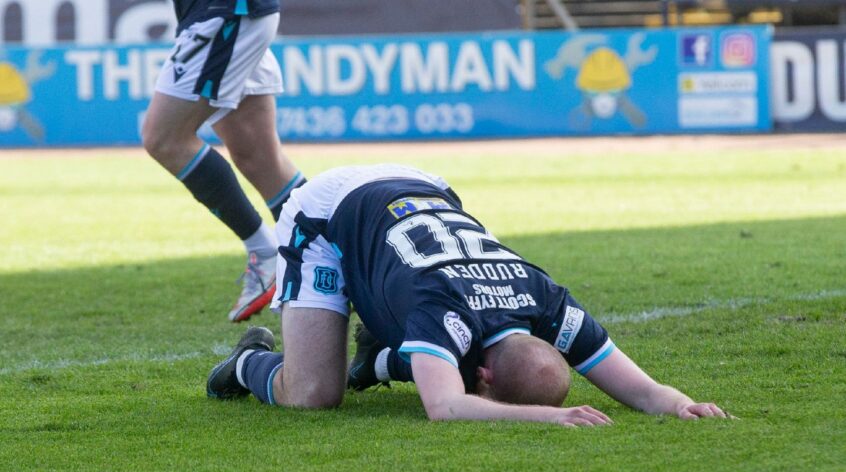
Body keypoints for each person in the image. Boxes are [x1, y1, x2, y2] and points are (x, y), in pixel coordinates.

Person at [206, 164, 730, 426]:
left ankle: (381, 358)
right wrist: (548, 417)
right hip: (326, 210)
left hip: (424, 186)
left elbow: (643, 391)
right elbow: (445, 406)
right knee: (314, 395)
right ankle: (249, 360)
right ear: (482, 376)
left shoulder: (549, 301)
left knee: (418, 338)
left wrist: (683, 405)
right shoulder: (445, 311)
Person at [142, 0, 307, 322]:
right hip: (228, 14)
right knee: (259, 157)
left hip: (225, 13)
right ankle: (342, 263)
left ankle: (266, 251)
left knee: (165, 138)